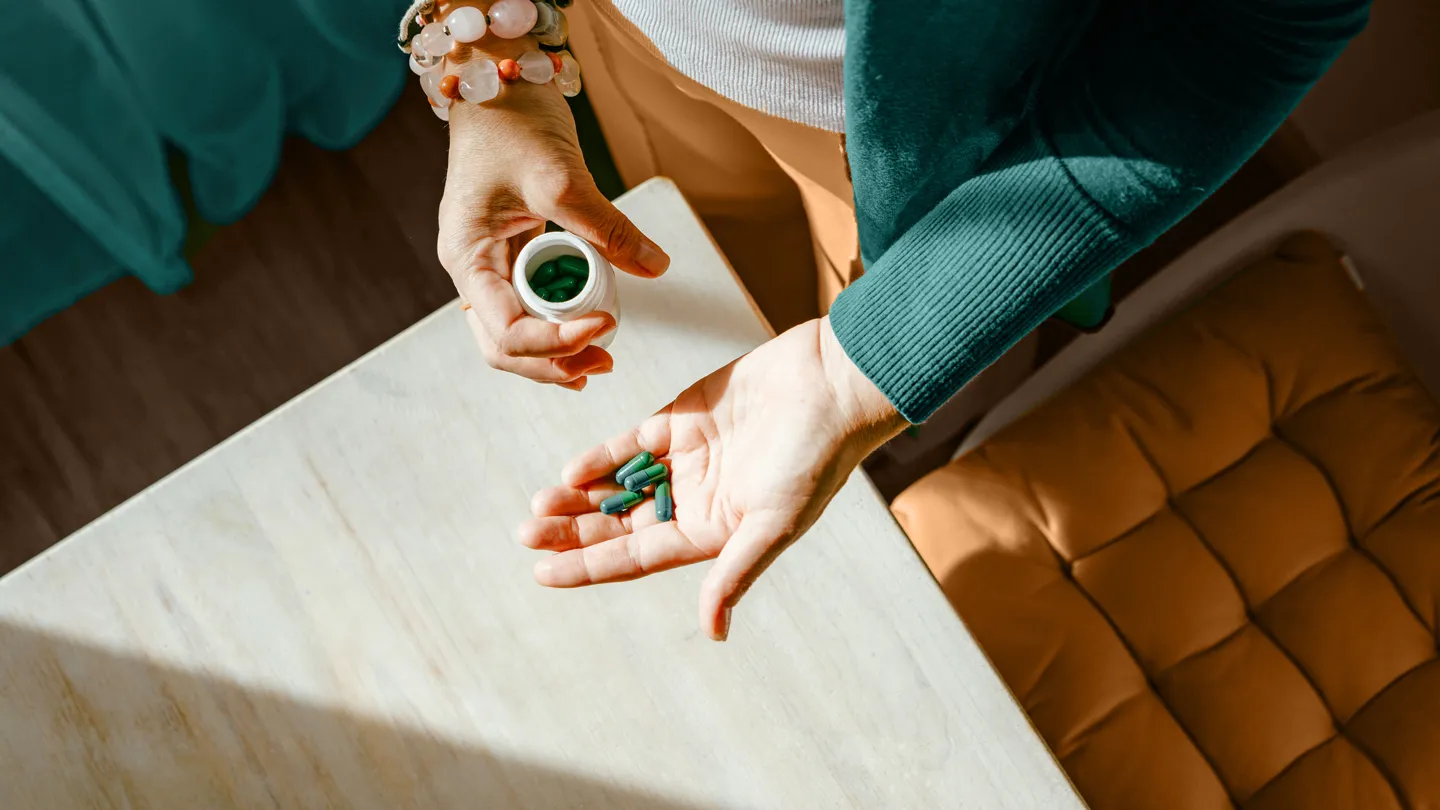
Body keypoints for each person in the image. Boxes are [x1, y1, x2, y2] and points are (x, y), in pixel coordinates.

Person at [428, 0, 1370, 641]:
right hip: (610, 32)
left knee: (915, 391)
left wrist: (863, 367)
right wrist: (485, 61)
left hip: (911, 139)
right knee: (718, 257)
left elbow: (1252, 27)